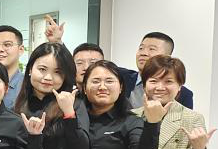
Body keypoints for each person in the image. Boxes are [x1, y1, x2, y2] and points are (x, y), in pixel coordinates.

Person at [43, 21, 194, 110]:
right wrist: (58, 43)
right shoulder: (121, 76)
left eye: (151, 49)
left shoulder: (183, 93)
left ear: (167, 57)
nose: (144, 53)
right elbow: (90, 68)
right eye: (141, 48)